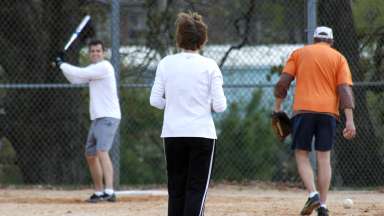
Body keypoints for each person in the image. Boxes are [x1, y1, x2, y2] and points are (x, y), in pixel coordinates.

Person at [150, 12, 227, 216]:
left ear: (179, 38)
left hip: (173, 133)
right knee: (196, 190)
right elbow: (220, 106)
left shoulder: (166, 63)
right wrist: (202, 104)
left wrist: (175, 103)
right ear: (202, 39)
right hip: (201, 133)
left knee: (176, 190)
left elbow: (155, 101)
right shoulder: (210, 66)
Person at [273, 26, 356, 216]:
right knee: (324, 158)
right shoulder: (339, 58)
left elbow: (283, 83)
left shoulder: (299, 53)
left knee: (301, 154)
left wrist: (277, 108)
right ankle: (323, 205)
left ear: (314, 38)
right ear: (331, 42)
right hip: (328, 113)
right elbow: (345, 91)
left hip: (303, 111)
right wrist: (350, 120)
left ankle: (313, 194)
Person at [55, 39, 121, 203]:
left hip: (108, 116)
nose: (95, 53)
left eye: (98, 51)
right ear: (89, 54)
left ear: (103, 53)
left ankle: (110, 191)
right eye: (92, 51)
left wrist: (61, 64)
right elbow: (75, 79)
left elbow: (81, 74)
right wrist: (61, 64)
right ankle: (99, 192)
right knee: (91, 155)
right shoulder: (93, 69)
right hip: (97, 118)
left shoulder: (105, 67)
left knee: (102, 151)